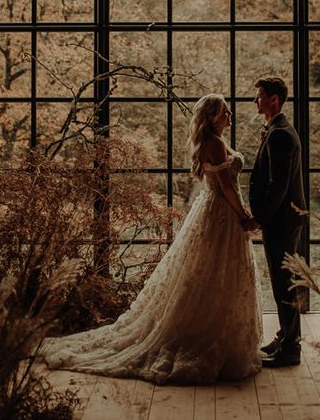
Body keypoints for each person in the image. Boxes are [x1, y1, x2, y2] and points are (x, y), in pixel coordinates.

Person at [41, 94, 262, 385]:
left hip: (214, 213)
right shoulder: (215, 144)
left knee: (208, 275)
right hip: (221, 214)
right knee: (214, 275)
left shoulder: (214, 141)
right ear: (211, 118)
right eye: (225, 113)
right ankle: (207, 335)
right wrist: (244, 216)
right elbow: (227, 188)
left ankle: (211, 328)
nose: (230, 117)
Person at [249, 77, 307, 368]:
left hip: (281, 221)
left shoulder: (280, 134)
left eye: (260, 95)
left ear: (274, 99)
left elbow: (278, 186)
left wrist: (259, 218)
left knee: (283, 285)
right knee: (284, 283)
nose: (256, 100)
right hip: (285, 219)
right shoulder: (278, 130)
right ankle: (286, 336)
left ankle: (291, 348)